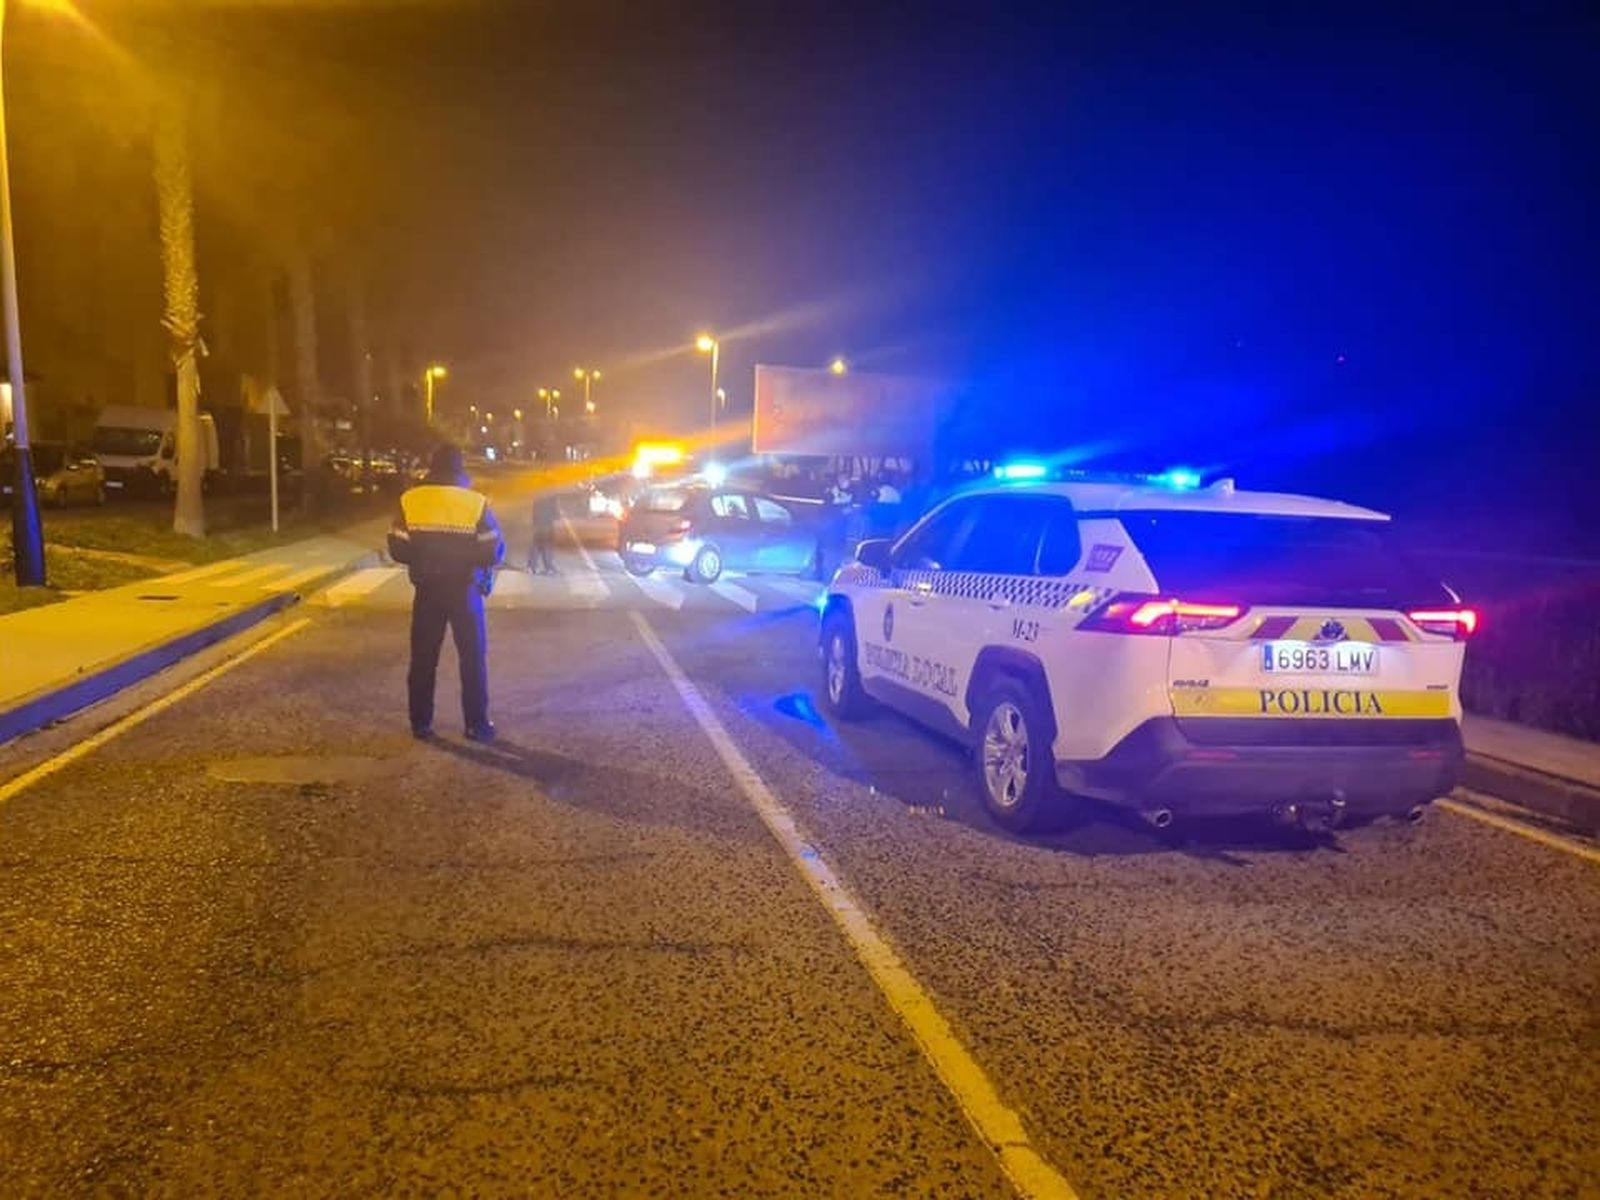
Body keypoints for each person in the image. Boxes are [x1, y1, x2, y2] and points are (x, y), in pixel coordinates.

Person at [387, 443, 505, 741]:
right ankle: (476, 725)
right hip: (466, 590)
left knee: (424, 658)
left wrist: (427, 558)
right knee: (473, 658)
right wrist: (465, 560)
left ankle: (421, 724)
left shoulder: (410, 499)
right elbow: (493, 549)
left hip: (427, 590)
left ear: (432, 466)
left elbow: (397, 547)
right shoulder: (475, 502)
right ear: (460, 468)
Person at [528, 489, 560, 575]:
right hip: (547, 524)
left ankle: (531, 567)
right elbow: (555, 512)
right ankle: (548, 568)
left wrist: (534, 522)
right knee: (547, 546)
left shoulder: (538, 495)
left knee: (536, 545)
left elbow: (534, 510)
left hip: (538, 524)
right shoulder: (552, 496)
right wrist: (556, 517)